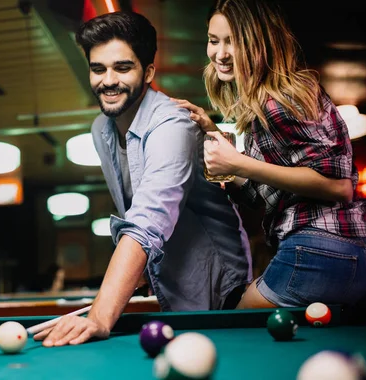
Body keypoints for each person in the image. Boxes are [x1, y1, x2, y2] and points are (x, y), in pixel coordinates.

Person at [33, 11, 252, 347]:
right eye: (97, 69)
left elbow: (148, 218)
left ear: (148, 71)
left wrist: (101, 315)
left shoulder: (172, 124)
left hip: (220, 287)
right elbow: (129, 209)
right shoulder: (100, 130)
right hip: (170, 283)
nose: (107, 80)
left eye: (122, 68)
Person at [173, 0, 366, 310]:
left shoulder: (279, 100)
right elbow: (259, 192)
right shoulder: (270, 102)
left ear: (259, 43)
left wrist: (237, 162)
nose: (220, 53)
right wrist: (213, 133)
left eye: (233, 41)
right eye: (214, 40)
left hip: (321, 253)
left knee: (235, 327)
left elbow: (338, 186)